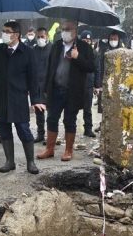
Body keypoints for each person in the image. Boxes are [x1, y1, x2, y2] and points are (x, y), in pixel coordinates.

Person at [0, 21, 42, 175]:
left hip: (18, 97)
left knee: (23, 130)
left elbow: (34, 78)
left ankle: (30, 162)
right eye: (4, 31)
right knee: (4, 130)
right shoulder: (0, 49)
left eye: (7, 31)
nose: (4, 34)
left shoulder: (27, 52)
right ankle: (9, 161)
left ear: (16, 34)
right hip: (1, 96)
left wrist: (36, 100)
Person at [37, 20, 95, 162]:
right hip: (56, 89)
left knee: (69, 120)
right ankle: (49, 149)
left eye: (68, 29)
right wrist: (45, 88)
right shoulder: (57, 45)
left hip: (72, 91)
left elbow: (91, 67)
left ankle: (68, 150)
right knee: (51, 118)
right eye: (63, 29)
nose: (65, 31)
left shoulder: (83, 47)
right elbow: (50, 67)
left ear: (75, 31)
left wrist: (78, 57)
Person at [94, 30, 124, 124]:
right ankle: (102, 124)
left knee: (116, 106)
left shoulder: (123, 51)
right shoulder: (104, 50)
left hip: (118, 82)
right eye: (111, 39)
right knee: (104, 105)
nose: (113, 41)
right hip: (105, 81)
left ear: (118, 40)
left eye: (115, 39)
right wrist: (99, 83)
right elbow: (99, 66)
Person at [32, 27, 52, 143]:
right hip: (37, 86)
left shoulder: (52, 49)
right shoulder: (34, 50)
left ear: (47, 37)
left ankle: (50, 136)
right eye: (38, 37)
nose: (40, 39)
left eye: (42, 37)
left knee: (50, 114)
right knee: (38, 112)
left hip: (48, 86)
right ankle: (40, 134)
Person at [79, 30, 96, 138]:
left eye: (88, 40)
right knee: (72, 109)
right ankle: (70, 128)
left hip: (88, 84)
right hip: (77, 84)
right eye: (84, 40)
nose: (86, 42)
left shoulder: (94, 53)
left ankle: (88, 129)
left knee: (87, 109)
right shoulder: (76, 52)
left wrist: (97, 85)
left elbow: (97, 69)